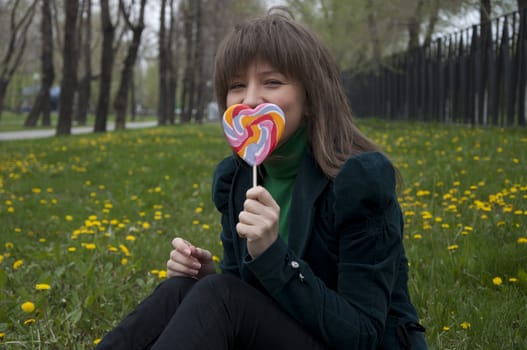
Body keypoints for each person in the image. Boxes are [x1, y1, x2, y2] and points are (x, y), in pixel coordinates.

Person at [95, 8, 428, 350]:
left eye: (272, 82)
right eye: (237, 85)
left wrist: (272, 255)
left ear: (312, 97)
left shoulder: (357, 182)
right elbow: (247, 299)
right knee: (182, 289)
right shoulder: (236, 179)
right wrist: (207, 277)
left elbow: (361, 335)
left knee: (218, 294)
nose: (251, 99)